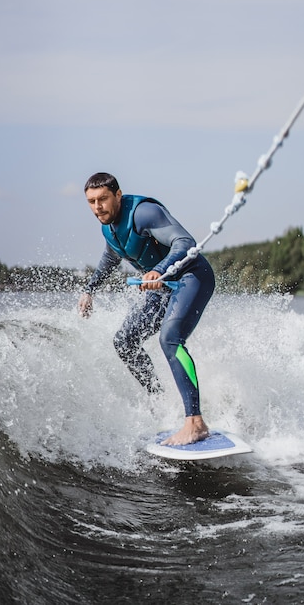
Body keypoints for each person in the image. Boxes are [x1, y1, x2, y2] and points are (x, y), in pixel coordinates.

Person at [78, 172, 215, 445]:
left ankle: (195, 422)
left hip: (192, 276)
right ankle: (160, 401)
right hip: (161, 287)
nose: (97, 207)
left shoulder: (144, 213)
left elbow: (186, 243)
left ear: (117, 195)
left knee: (170, 339)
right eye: (92, 202)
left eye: (103, 199)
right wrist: (90, 289)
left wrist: (158, 270)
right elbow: (110, 256)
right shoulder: (108, 226)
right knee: (124, 341)